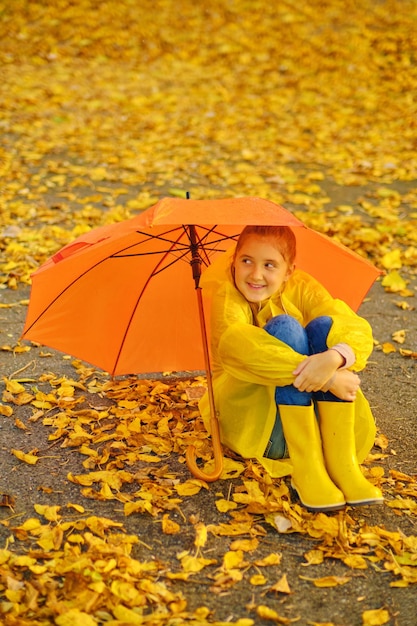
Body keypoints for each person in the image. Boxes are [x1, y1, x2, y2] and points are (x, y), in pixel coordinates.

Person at [199, 225, 383, 512]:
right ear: (234, 260)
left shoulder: (300, 287)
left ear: (288, 271)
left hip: (316, 427)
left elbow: (350, 325)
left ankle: (340, 464)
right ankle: (306, 466)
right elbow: (240, 347)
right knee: (286, 329)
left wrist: (336, 357)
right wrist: (329, 378)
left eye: (269, 265)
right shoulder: (228, 297)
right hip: (261, 429)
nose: (255, 274)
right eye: (246, 261)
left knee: (325, 326)